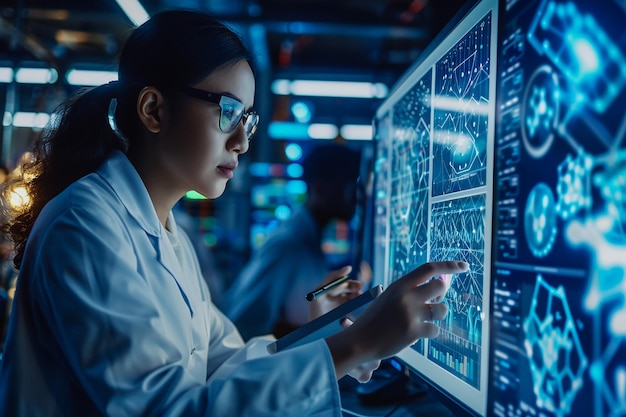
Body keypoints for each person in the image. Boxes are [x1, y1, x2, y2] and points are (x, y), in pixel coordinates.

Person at [0, 9, 469, 416]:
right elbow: (167, 410)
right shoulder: (85, 226)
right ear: (153, 110)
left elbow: (224, 363)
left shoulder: (168, 233)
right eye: (227, 112)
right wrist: (355, 347)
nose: (241, 141)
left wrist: (340, 337)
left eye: (248, 118)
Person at [223, 143, 362, 340]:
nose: (356, 198)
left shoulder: (307, 241)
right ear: (321, 188)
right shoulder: (288, 245)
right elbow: (243, 325)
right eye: (350, 187)